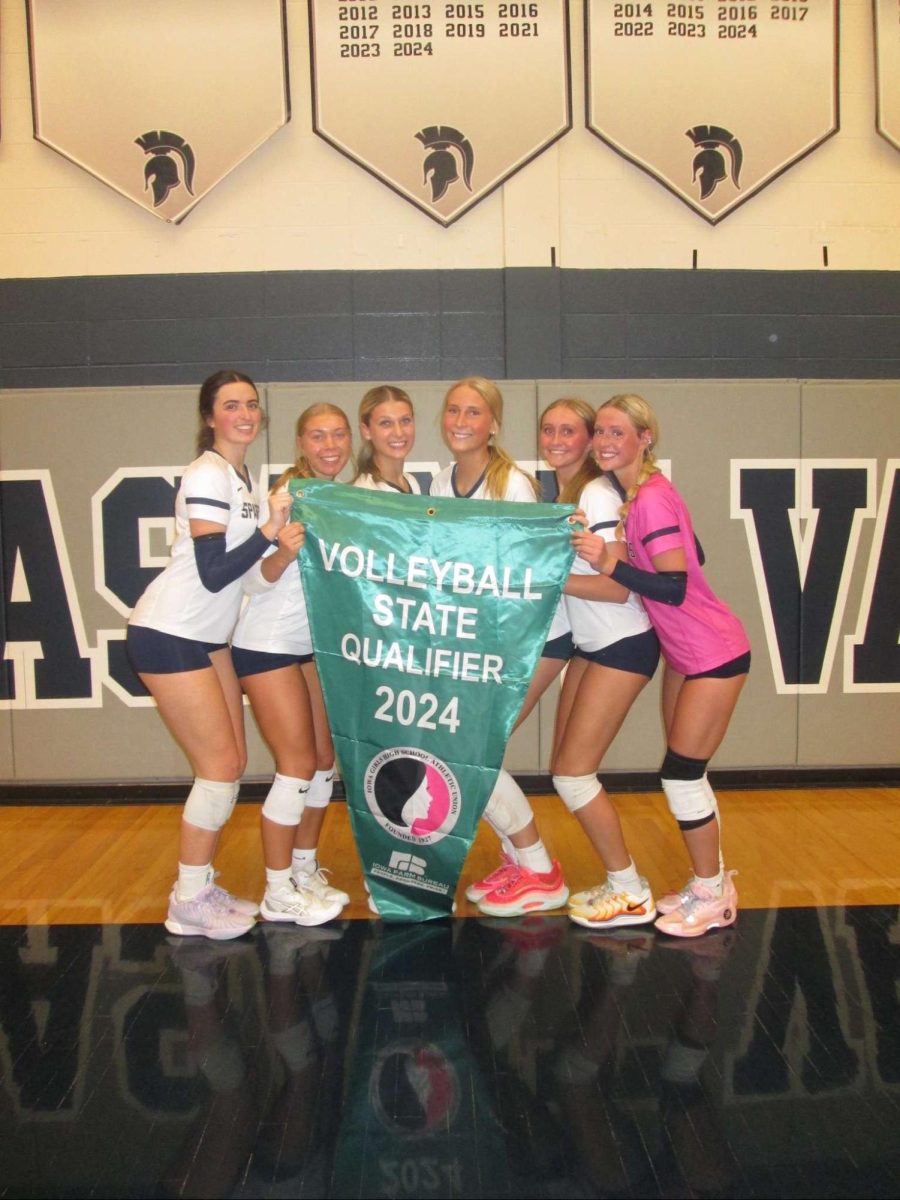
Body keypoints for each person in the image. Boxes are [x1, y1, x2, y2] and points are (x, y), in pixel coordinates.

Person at [572, 393, 750, 938]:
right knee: (685, 773)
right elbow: (694, 553)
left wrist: (609, 561)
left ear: (645, 438)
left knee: (681, 774)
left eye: (617, 432)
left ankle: (715, 893)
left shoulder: (647, 498)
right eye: (599, 431)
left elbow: (673, 587)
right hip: (686, 654)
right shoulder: (641, 496)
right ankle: (708, 882)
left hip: (712, 654)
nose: (604, 441)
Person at [127, 370, 291, 940]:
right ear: (210, 417)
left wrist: (281, 548)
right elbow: (214, 570)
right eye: (231, 405)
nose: (244, 413)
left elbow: (247, 580)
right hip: (169, 631)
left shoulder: (241, 479)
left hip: (208, 636)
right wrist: (270, 532)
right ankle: (188, 897)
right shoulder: (205, 473)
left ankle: (201, 885)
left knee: (231, 764)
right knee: (219, 769)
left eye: (251, 404)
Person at [430, 376, 569, 917]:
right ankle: (519, 859)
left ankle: (539, 868)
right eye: (453, 410)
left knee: (469, 752)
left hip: (525, 636)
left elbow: (526, 576)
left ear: (493, 423)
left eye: (474, 412)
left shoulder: (513, 484)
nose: (461, 421)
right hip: (474, 639)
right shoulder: (441, 482)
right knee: (465, 753)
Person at [536, 398, 661, 930]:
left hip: (621, 642)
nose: (556, 438)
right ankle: (620, 882)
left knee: (572, 773)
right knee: (565, 771)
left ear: (589, 440)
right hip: (593, 646)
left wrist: (544, 581)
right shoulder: (571, 492)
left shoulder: (593, 490)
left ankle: (630, 889)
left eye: (570, 430)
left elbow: (613, 586)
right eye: (548, 429)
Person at [231, 403, 354, 928]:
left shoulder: (340, 499)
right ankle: (277, 889)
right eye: (318, 436)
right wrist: (280, 550)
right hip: (266, 645)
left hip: (309, 646)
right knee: (297, 765)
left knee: (324, 760)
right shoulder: (284, 497)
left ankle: (303, 868)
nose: (329, 445)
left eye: (338, 435)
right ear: (301, 443)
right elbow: (251, 580)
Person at [352, 385, 422, 494]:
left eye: (405, 421)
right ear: (366, 431)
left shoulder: (411, 481)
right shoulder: (365, 493)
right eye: (386, 423)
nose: (398, 433)